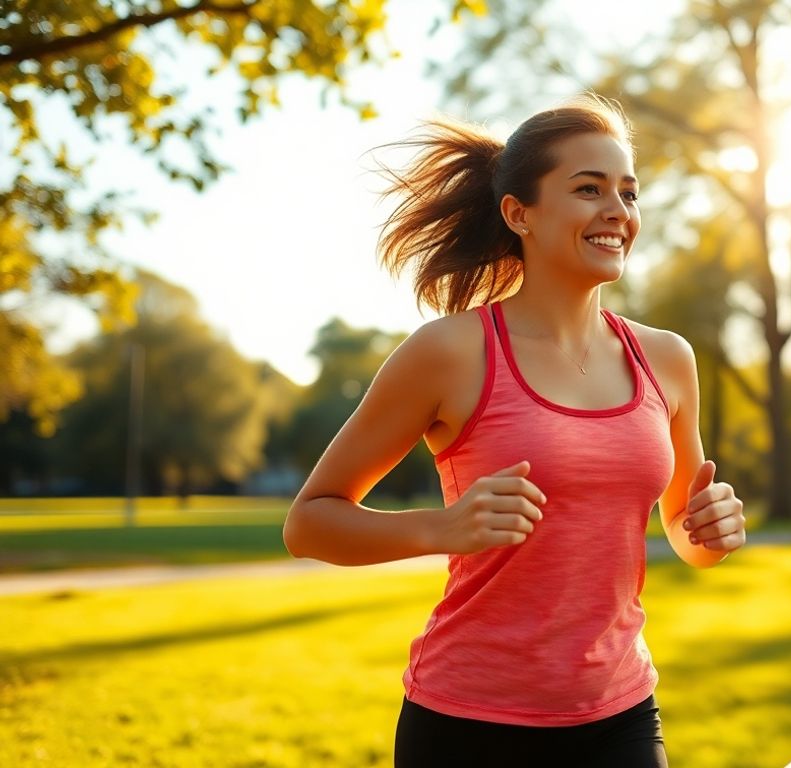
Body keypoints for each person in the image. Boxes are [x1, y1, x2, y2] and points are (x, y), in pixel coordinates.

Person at [281, 94, 746, 767]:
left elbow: (682, 531)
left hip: (619, 713)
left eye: (628, 191)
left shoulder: (667, 359)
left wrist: (709, 532)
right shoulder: (450, 352)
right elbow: (309, 524)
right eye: (588, 189)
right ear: (518, 213)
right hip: (469, 724)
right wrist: (439, 528)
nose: (617, 210)